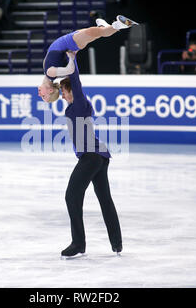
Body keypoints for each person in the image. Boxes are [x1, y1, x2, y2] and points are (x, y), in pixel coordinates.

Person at [53, 52, 122, 259]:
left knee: (71, 196)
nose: (63, 95)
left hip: (91, 156)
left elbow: (75, 80)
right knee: (104, 199)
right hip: (99, 156)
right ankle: (117, 243)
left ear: (72, 90)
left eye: (65, 92)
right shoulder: (73, 107)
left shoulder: (81, 103)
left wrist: (72, 60)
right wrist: (50, 82)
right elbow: (55, 90)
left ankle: (78, 243)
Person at [38, 15, 138, 103]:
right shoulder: (50, 73)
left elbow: (63, 60)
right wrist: (72, 58)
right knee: (98, 32)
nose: (39, 94)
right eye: (43, 96)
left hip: (70, 42)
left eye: (42, 97)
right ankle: (118, 25)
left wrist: (72, 55)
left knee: (97, 32)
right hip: (71, 42)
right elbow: (70, 70)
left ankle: (105, 26)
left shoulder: (49, 73)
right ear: (50, 91)